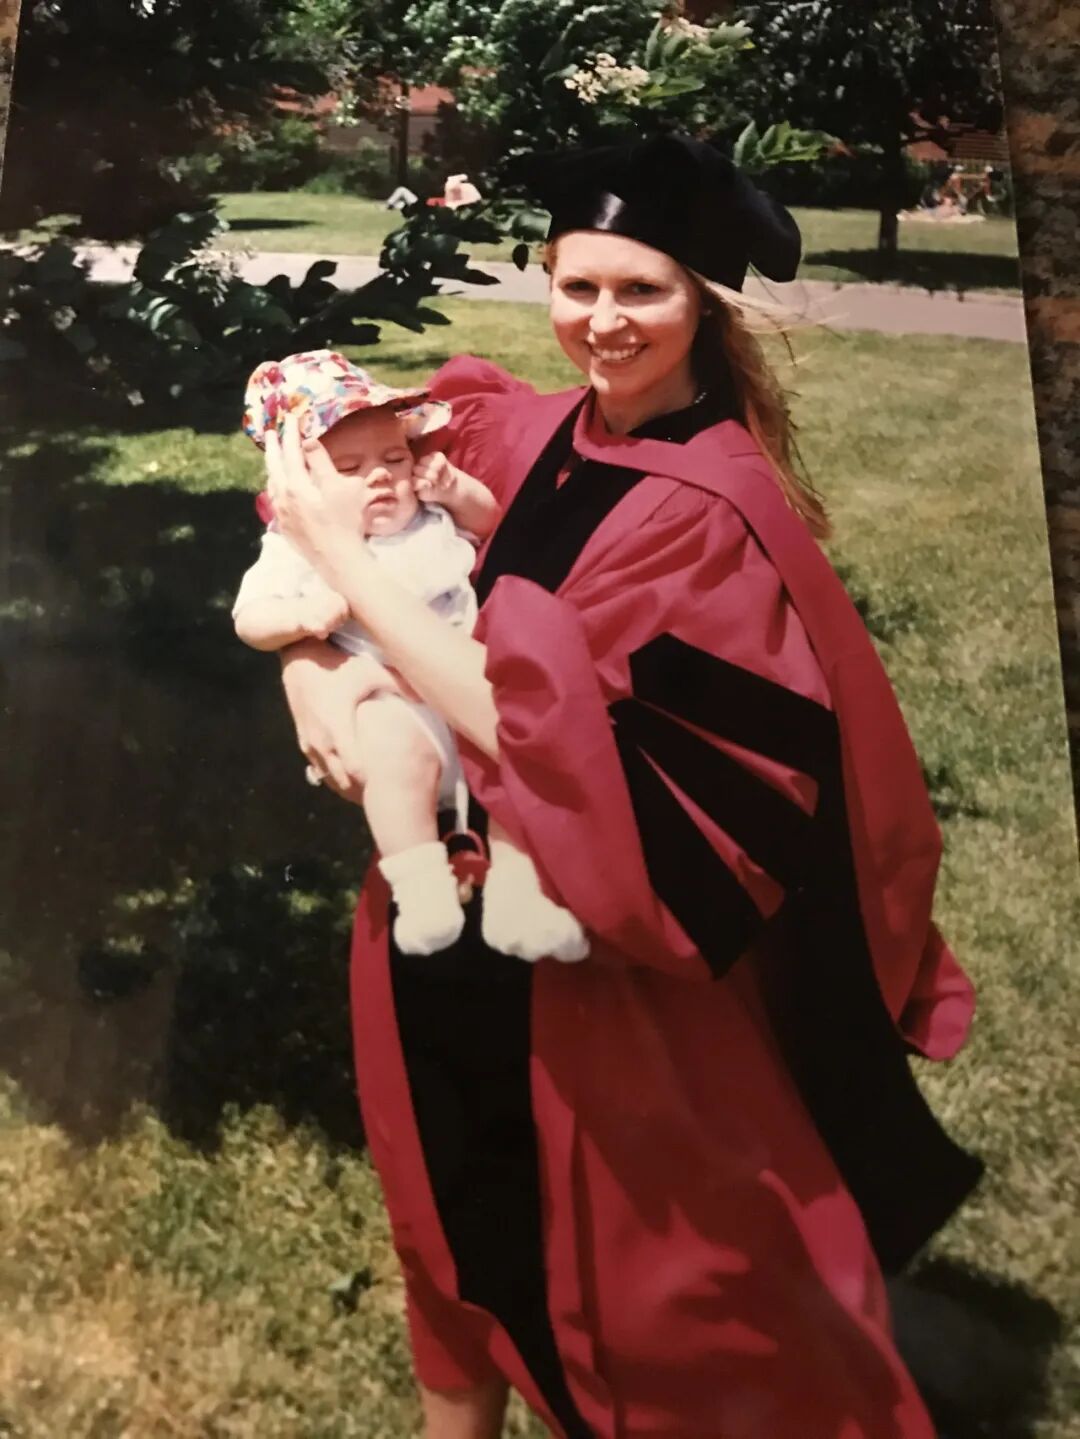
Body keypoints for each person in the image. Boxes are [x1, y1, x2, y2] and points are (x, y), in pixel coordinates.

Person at [265, 134, 982, 1439]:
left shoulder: (705, 514)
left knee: (664, 1323)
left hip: (599, 993)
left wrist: (348, 581)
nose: (603, 321)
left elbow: (550, 738)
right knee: (451, 1247)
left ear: (703, 302)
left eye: (642, 290)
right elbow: (330, 493)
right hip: (438, 926)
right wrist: (312, 666)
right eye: (577, 284)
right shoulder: (540, 432)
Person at [234, 350, 589, 962]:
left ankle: (517, 900)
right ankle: (421, 888)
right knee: (394, 761)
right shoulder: (296, 548)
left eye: (395, 457)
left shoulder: (429, 517)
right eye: (350, 467)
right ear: (300, 489)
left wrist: (457, 490)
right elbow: (250, 618)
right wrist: (300, 620)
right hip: (396, 705)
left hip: (473, 696)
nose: (381, 476)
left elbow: (489, 523)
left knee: (514, 781)